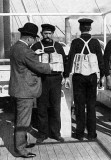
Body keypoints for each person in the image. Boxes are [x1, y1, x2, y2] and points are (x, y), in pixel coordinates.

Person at [9, 22, 54, 158]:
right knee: (23, 122)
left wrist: (33, 53)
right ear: (29, 38)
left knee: (19, 120)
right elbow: (39, 67)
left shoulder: (15, 47)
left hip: (17, 88)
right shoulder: (26, 50)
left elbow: (23, 61)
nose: (35, 41)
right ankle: (21, 150)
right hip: (25, 91)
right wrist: (50, 66)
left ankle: (21, 143)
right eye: (34, 38)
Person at [65, 18, 105, 140]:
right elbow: (101, 61)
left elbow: (70, 59)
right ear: (90, 28)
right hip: (92, 77)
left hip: (78, 77)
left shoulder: (75, 42)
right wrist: (102, 76)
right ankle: (92, 134)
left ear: (80, 28)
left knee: (79, 105)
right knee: (91, 106)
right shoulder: (95, 42)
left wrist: (66, 76)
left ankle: (80, 133)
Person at [31, 24, 66, 143]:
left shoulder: (58, 46)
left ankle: (56, 133)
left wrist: (66, 76)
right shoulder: (35, 46)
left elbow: (65, 62)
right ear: (41, 34)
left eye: (50, 33)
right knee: (42, 108)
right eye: (45, 33)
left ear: (53, 34)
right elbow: (30, 62)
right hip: (42, 80)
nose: (47, 35)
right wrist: (34, 54)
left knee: (56, 108)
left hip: (56, 79)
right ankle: (42, 134)